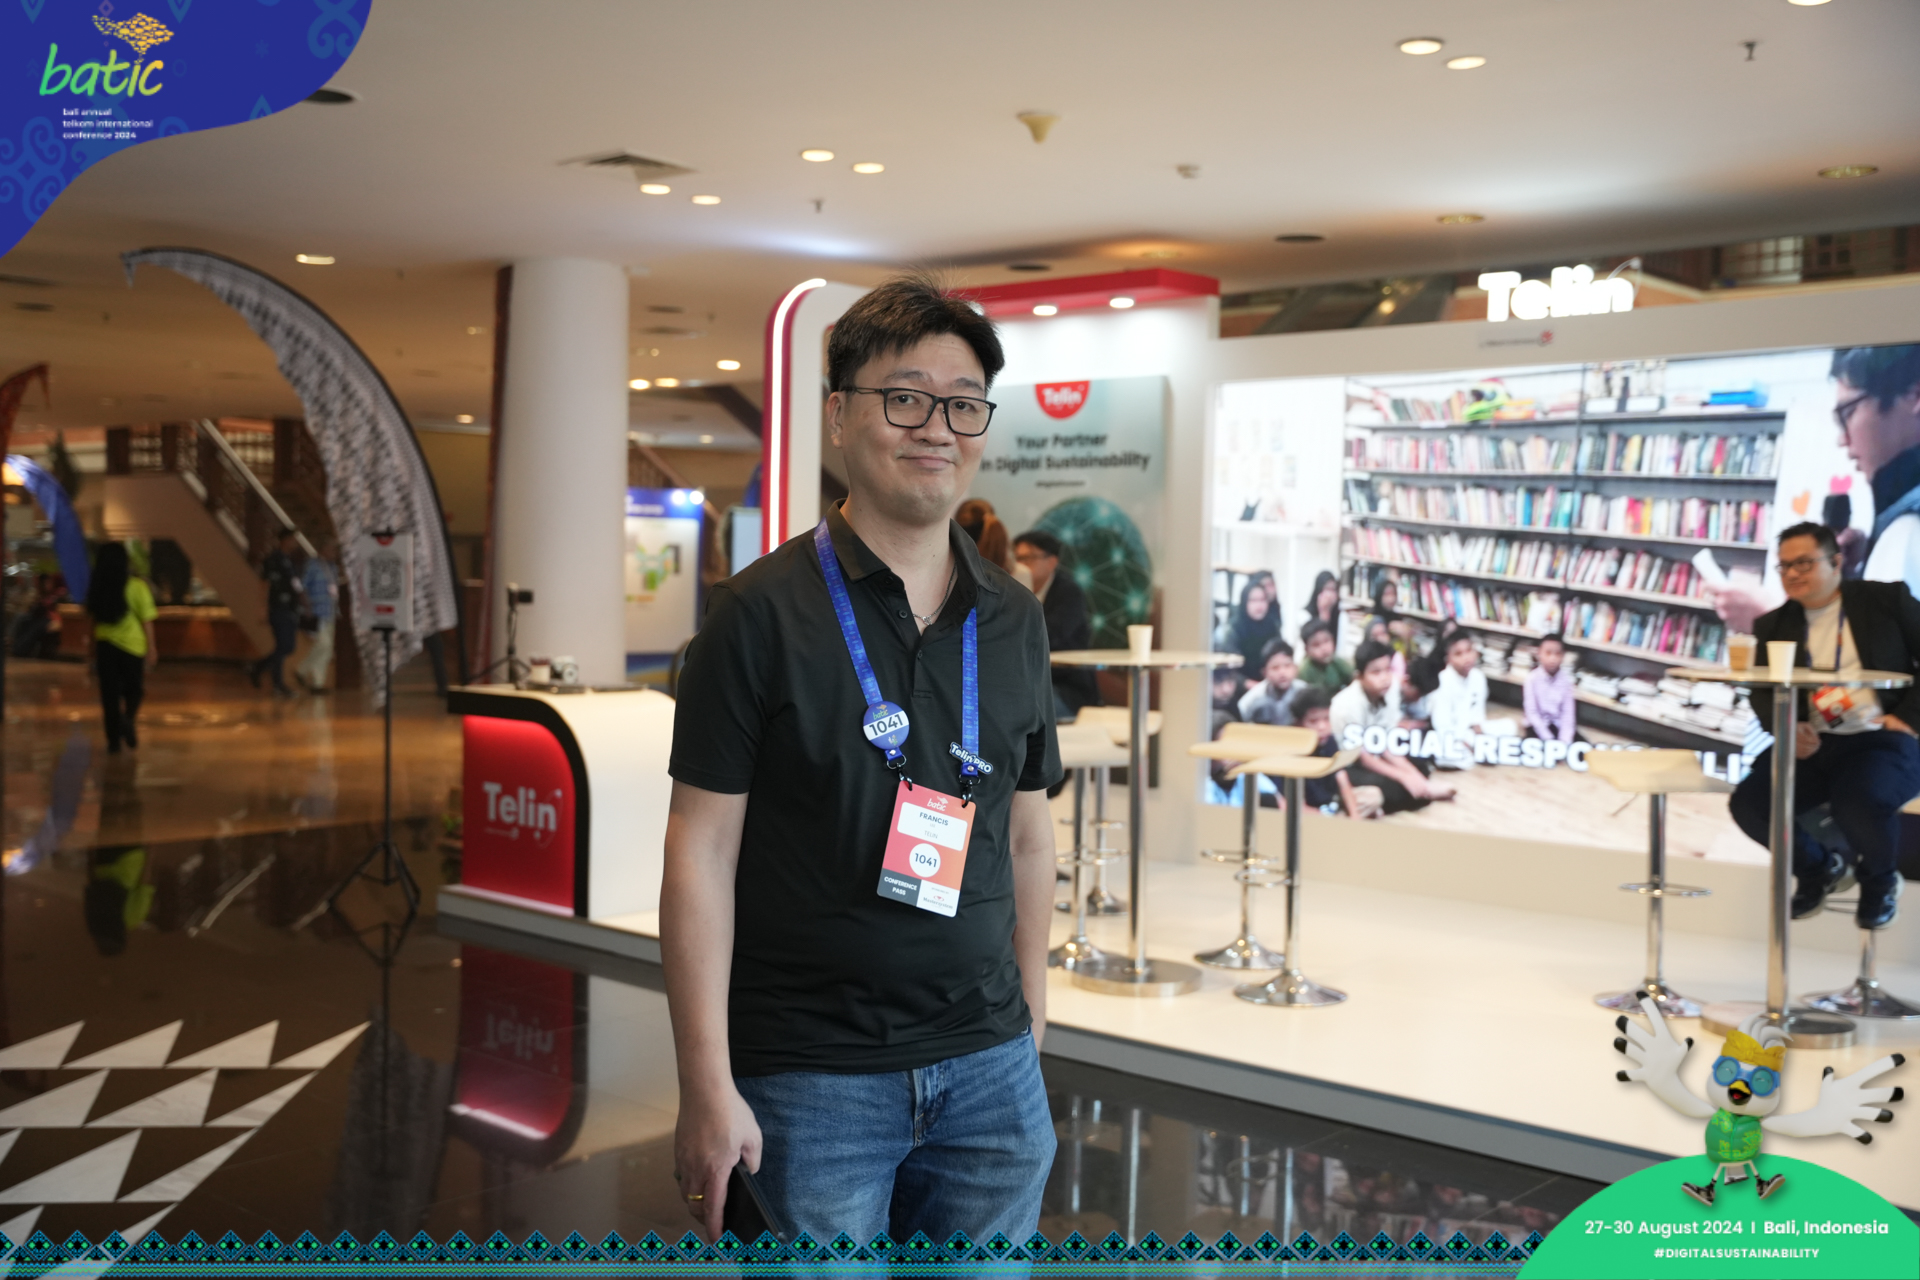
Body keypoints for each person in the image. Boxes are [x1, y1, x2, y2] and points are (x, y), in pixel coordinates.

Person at [662, 273, 1060, 1246]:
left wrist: (1031, 1021)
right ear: (838, 415)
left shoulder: (1013, 617)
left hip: (990, 1072)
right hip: (810, 1077)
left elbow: (1029, 832)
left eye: (963, 403)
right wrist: (705, 1084)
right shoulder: (756, 614)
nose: (937, 428)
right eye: (906, 398)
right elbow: (700, 853)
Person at [1728, 522, 1920, 929]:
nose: (1792, 574)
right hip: (1815, 743)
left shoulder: (1886, 600)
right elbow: (1761, 690)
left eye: (1803, 563)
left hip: (1881, 737)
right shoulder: (1773, 624)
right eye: (1784, 566)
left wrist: (1908, 718)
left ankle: (1880, 883)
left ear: (1835, 562)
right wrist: (1786, 728)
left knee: (1859, 801)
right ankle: (1819, 868)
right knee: (1750, 804)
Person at [1834, 344, 1920, 596]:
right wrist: (1869, 559)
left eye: (1848, 413)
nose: (1842, 439)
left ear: (1914, 397)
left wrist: (1772, 613)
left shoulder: (1909, 529)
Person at [1330, 639, 1453, 813]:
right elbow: (1363, 757)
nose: (1385, 678)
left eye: (1388, 670)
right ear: (1359, 677)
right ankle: (1417, 794)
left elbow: (1386, 743)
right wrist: (1403, 777)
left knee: (1421, 765)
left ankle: (1420, 790)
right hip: (1350, 764)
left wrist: (1414, 776)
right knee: (1388, 786)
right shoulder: (1346, 706)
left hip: (1376, 753)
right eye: (1376, 672)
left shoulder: (1392, 688)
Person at [1013, 528, 1097, 717]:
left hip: (1065, 687)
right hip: (1028, 683)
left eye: (1028, 558)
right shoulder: (1014, 591)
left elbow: (1050, 637)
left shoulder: (1068, 593)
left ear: (1052, 562)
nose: (1021, 565)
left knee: (1020, 708)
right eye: (1017, 558)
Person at [85, 542, 158, 754]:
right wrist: (152, 647)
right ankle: (127, 720)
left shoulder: (98, 587)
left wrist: (90, 647)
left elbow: (92, 620)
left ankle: (113, 742)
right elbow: (147, 620)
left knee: (109, 694)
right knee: (134, 690)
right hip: (132, 647)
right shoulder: (137, 586)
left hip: (105, 645)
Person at [1295, 687, 1380, 819]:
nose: (1322, 727)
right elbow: (1291, 803)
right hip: (1308, 811)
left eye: (1326, 719)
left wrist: (1354, 816)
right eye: (1313, 721)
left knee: (1374, 795)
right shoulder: (1293, 750)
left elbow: (1342, 779)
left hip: (1332, 803)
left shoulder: (1329, 741)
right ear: (1299, 723)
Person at [247, 529, 303, 698]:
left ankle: (258, 668)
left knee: (286, 647)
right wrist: (262, 608)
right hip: (278, 608)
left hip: (290, 608)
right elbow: (265, 583)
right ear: (284, 540)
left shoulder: (290, 560)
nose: (295, 543)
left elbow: (294, 584)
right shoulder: (273, 559)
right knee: (283, 645)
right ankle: (276, 683)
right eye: (292, 539)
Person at [1429, 629, 1492, 764]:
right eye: (1458, 654)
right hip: (1450, 737)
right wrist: (1468, 745)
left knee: (1509, 727)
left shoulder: (1478, 677)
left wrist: (1482, 741)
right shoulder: (1442, 681)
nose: (1466, 658)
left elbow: (1477, 716)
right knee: (1447, 757)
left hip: (1469, 733)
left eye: (1469, 651)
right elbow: (1442, 726)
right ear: (1448, 658)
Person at [296, 535, 340, 694]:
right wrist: (306, 606)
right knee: (323, 644)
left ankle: (318, 682)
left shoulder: (333, 567)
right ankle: (301, 670)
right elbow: (302, 586)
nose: (334, 553)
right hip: (317, 611)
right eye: (331, 549)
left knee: (327, 650)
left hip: (330, 611)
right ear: (323, 549)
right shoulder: (312, 565)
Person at [1218, 578, 1281, 681]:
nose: (1259, 605)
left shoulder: (1272, 626)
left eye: (1262, 600)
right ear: (1244, 602)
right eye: (1253, 600)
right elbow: (1229, 668)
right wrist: (1247, 684)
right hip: (1240, 686)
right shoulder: (1235, 629)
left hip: (1269, 683)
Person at [1524, 633, 1578, 742]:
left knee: (1583, 748)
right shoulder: (1531, 679)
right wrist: (1549, 740)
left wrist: (1564, 741)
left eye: (1557, 654)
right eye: (1548, 653)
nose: (1553, 659)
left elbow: (1568, 715)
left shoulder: (1566, 681)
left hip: (1557, 724)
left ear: (1563, 656)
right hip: (1537, 726)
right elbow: (1532, 713)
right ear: (1539, 654)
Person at [1238, 637, 1304, 726]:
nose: (1282, 673)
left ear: (1295, 668)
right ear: (1265, 672)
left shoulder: (1304, 692)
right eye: (1275, 668)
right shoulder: (1251, 700)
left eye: (1287, 666)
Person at [1297, 619, 1353, 694]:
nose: (1324, 649)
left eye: (1326, 641)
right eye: (1316, 645)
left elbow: (1354, 682)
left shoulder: (1338, 662)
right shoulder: (1304, 671)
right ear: (1307, 650)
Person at [1303, 569, 1341, 636]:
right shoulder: (1304, 615)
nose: (1331, 594)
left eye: (1333, 589)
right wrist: (1324, 611)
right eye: (1328, 589)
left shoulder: (1339, 615)